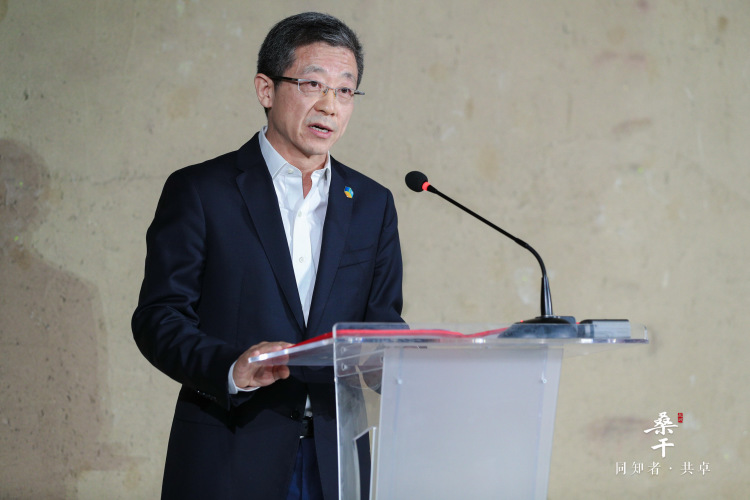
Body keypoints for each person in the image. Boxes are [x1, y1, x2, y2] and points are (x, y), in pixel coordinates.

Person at [132, 12, 403, 500]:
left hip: (335, 460)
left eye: (345, 90)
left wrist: (423, 364)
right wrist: (230, 368)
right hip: (229, 452)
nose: (330, 105)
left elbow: (381, 324)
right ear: (266, 89)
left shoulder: (371, 203)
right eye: (312, 84)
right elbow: (159, 317)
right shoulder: (201, 191)